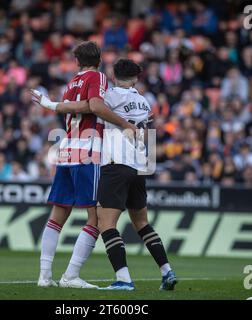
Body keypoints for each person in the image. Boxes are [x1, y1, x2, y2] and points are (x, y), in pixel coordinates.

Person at [30, 41, 136, 289]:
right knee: (96, 218)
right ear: (99, 61)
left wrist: (53, 104)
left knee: (58, 214)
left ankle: (45, 276)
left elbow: (80, 107)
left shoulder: (71, 84)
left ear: (76, 61)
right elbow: (96, 106)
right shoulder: (97, 77)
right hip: (89, 151)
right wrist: (125, 125)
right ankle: (70, 275)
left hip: (66, 150)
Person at [96, 59, 178, 290]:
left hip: (116, 163)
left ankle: (123, 280)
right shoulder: (144, 101)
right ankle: (167, 271)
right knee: (142, 223)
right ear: (136, 78)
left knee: (107, 224)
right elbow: (149, 132)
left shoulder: (109, 97)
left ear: (113, 76)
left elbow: (93, 107)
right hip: (139, 165)